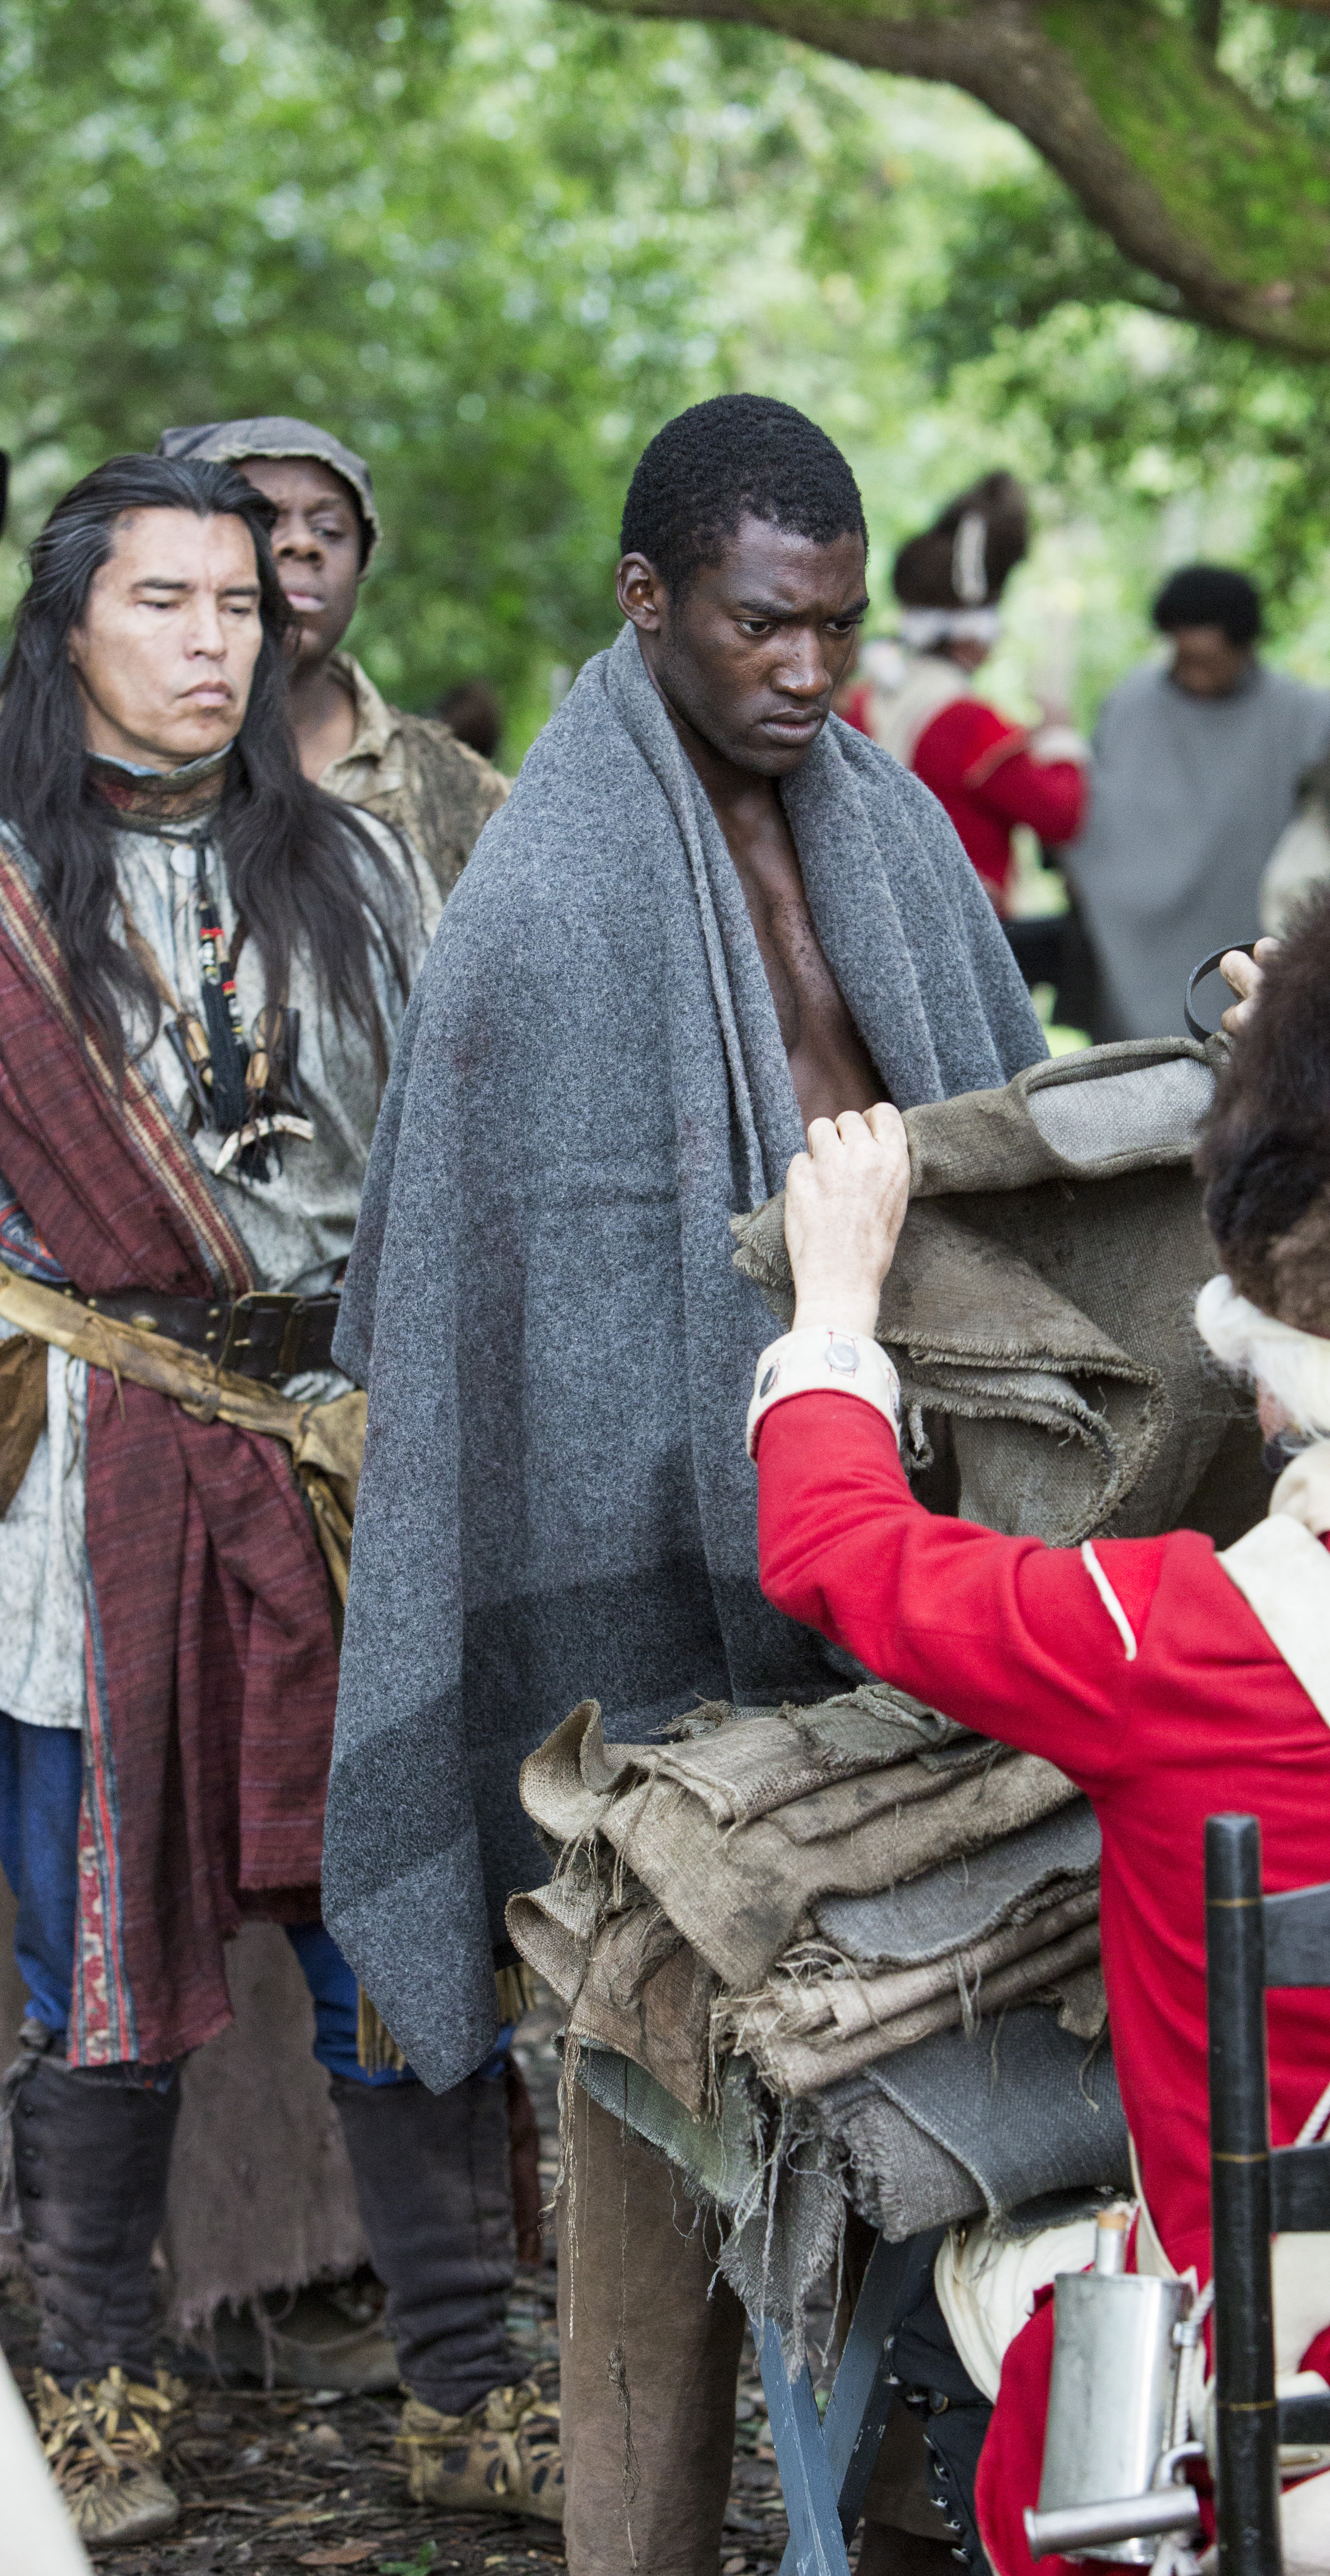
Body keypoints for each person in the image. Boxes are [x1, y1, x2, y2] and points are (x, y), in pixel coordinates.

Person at [748, 864, 1330, 2576]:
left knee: (957, 2296)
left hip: (1314, 2466)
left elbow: (839, 1546)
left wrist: (835, 1305)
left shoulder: (1171, 1633)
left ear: (1266, 1372)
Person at [323, 393, 1045, 2576]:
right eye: (760, 628)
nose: (809, 675)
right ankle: (631, 2543)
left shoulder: (892, 827)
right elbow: (500, 1340)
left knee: (967, 2040)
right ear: (646, 602)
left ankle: (926, 2497)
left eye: (833, 626)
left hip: (900, 1556)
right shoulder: (542, 910)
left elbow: (999, 1128)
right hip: (639, 1657)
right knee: (651, 2089)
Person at [0, 455, 556, 2546]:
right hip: (90, 1484)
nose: (214, 638)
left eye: (237, 601)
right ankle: (107, 2392)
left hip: (343, 1471)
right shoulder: (3, 897)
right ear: (71, 631)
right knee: (101, 1955)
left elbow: (452, 1176)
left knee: (395, 1942)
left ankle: (464, 2388)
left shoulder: (362, 867)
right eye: (163, 601)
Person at [156, 418, 508, 894]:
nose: (302, 545)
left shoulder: (460, 790)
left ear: (361, 566)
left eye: (328, 530)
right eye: (262, 520)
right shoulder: (106, 761)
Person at [1064, 564, 1330, 1041]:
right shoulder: (1132, 705)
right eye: (1182, 657)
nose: (1193, 675)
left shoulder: (1304, 716)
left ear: (1245, 647)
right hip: (1138, 945)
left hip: (1246, 920)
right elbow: (1099, 819)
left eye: (1208, 661)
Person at [848, 473, 1086, 913]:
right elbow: (1060, 816)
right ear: (973, 635)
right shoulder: (972, 724)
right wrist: (1058, 738)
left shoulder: (857, 705)